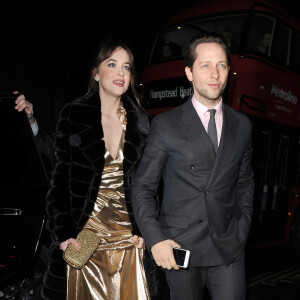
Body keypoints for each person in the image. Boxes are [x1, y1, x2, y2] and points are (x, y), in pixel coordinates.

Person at [131, 31, 255, 300]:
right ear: (189, 73)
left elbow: (245, 181)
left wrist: (242, 227)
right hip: (179, 247)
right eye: (205, 65)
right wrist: (156, 239)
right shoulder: (166, 125)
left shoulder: (242, 125)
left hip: (228, 246)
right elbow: (142, 187)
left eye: (221, 65)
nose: (215, 73)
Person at [40, 37, 152, 300]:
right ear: (96, 72)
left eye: (126, 67)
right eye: (112, 64)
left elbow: (148, 187)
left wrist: (143, 229)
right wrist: (64, 234)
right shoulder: (73, 115)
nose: (120, 73)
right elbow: (58, 184)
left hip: (128, 244)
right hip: (85, 241)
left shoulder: (141, 123)